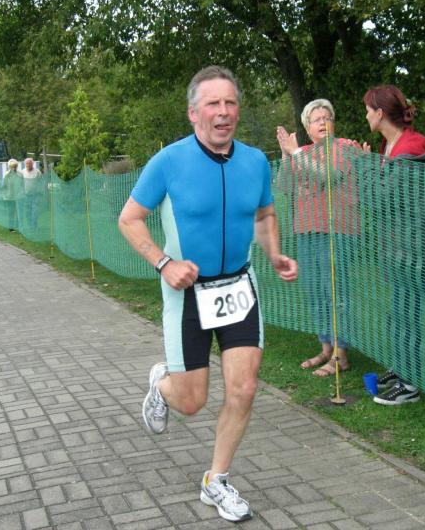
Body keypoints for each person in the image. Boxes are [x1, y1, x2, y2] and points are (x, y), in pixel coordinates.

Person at [118, 66, 297, 522]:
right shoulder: (169, 162)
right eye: (213, 104)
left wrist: (274, 253)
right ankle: (164, 385)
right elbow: (129, 219)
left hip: (238, 287)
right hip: (188, 293)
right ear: (193, 113)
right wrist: (164, 263)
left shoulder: (255, 162)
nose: (224, 112)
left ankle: (216, 479)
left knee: (245, 387)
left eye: (230, 102)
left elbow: (264, 214)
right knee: (191, 401)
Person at [275, 99, 366, 377]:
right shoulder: (303, 152)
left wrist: (295, 153)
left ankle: (341, 355)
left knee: (336, 292)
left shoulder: (344, 148)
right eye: (317, 119)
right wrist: (286, 155)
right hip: (307, 230)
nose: (323, 122)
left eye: (327, 117)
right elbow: (284, 185)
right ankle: (326, 348)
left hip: (337, 231)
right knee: (315, 291)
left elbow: (329, 175)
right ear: (307, 127)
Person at [363, 85, 425, 406]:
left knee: (407, 314)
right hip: (396, 247)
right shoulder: (389, 146)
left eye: (368, 110)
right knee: (398, 313)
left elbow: (381, 199)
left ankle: (409, 385)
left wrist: (365, 169)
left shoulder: (410, 148)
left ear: (380, 113)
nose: (366, 116)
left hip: (413, 250)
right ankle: (401, 367)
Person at [1, 158, 23, 232]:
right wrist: (5, 195)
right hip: (9, 197)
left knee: (19, 212)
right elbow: (4, 185)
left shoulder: (20, 174)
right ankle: (11, 228)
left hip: (19, 196)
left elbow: (22, 184)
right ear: (9, 167)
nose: (14, 168)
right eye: (12, 166)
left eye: (15, 166)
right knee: (11, 212)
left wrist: (21, 193)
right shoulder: (6, 175)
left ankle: (19, 227)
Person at [20, 157, 43, 231]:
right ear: (25, 164)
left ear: (32, 164)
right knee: (28, 211)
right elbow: (20, 183)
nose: (28, 165)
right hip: (26, 195)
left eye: (30, 163)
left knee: (35, 211)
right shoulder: (22, 172)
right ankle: (30, 225)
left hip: (36, 195)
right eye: (27, 163)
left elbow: (41, 182)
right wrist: (21, 192)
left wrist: (40, 192)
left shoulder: (37, 172)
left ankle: (34, 226)